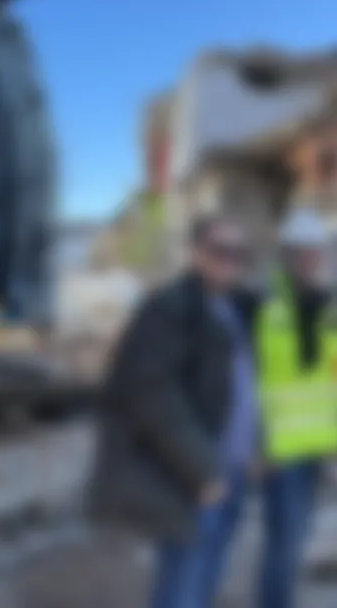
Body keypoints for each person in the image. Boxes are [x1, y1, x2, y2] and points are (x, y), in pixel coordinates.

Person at [87, 215, 257, 608]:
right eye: (220, 252)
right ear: (197, 254)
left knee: (207, 576)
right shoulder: (170, 309)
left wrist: (256, 448)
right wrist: (203, 469)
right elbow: (153, 396)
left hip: (232, 469)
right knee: (183, 584)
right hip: (196, 477)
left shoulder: (236, 307)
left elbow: (248, 386)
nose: (230, 262)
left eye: (238, 254)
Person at [253, 207, 337, 608]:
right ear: (287, 255)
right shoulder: (263, 305)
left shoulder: (328, 308)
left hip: (316, 449)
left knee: (297, 540)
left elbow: (332, 377)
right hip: (278, 452)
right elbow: (247, 381)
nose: (311, 259)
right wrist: (257, 441)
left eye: (316, 251)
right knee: (283, 547)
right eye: (302, 251)